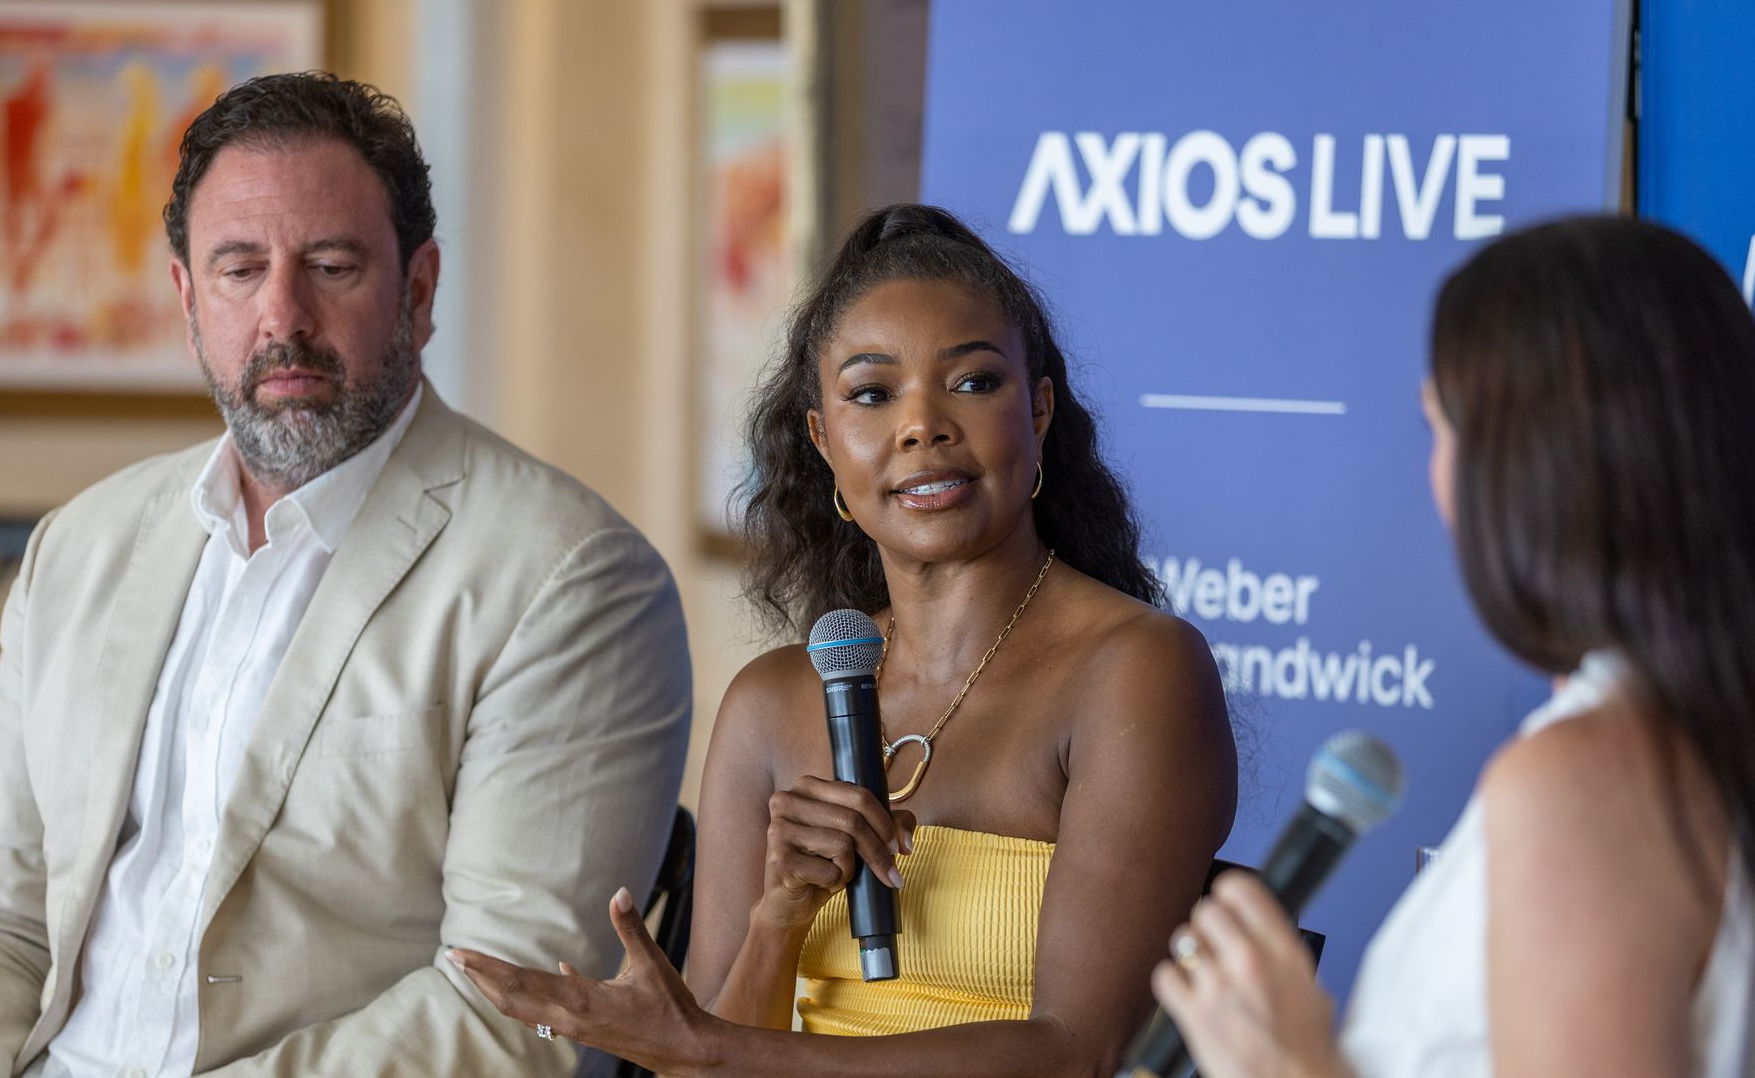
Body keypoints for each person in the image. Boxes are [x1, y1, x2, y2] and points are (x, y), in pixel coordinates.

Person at [0, 72, 691, 1078]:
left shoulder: (569, 581)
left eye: (333, 265)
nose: (282, 315)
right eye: (238, 268)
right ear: (186, 298)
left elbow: (517, 1015)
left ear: (419, 290)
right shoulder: (80, 546)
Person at [452, 204, 1239, 1074]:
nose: (922, 426)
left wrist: (714, 1047)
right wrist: (779, 917)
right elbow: (710, 1063)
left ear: (1041, 409)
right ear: (824, 440)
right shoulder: (770, 703)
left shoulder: (1138, 672)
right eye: (872, 394)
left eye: (974, 383)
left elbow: (1079, 1053)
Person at [1151, 216, 1755, 1078]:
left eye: (1441, 425)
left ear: (1532, 465)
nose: (1435, 473)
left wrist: (1294, 1066)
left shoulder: (1585, 779)